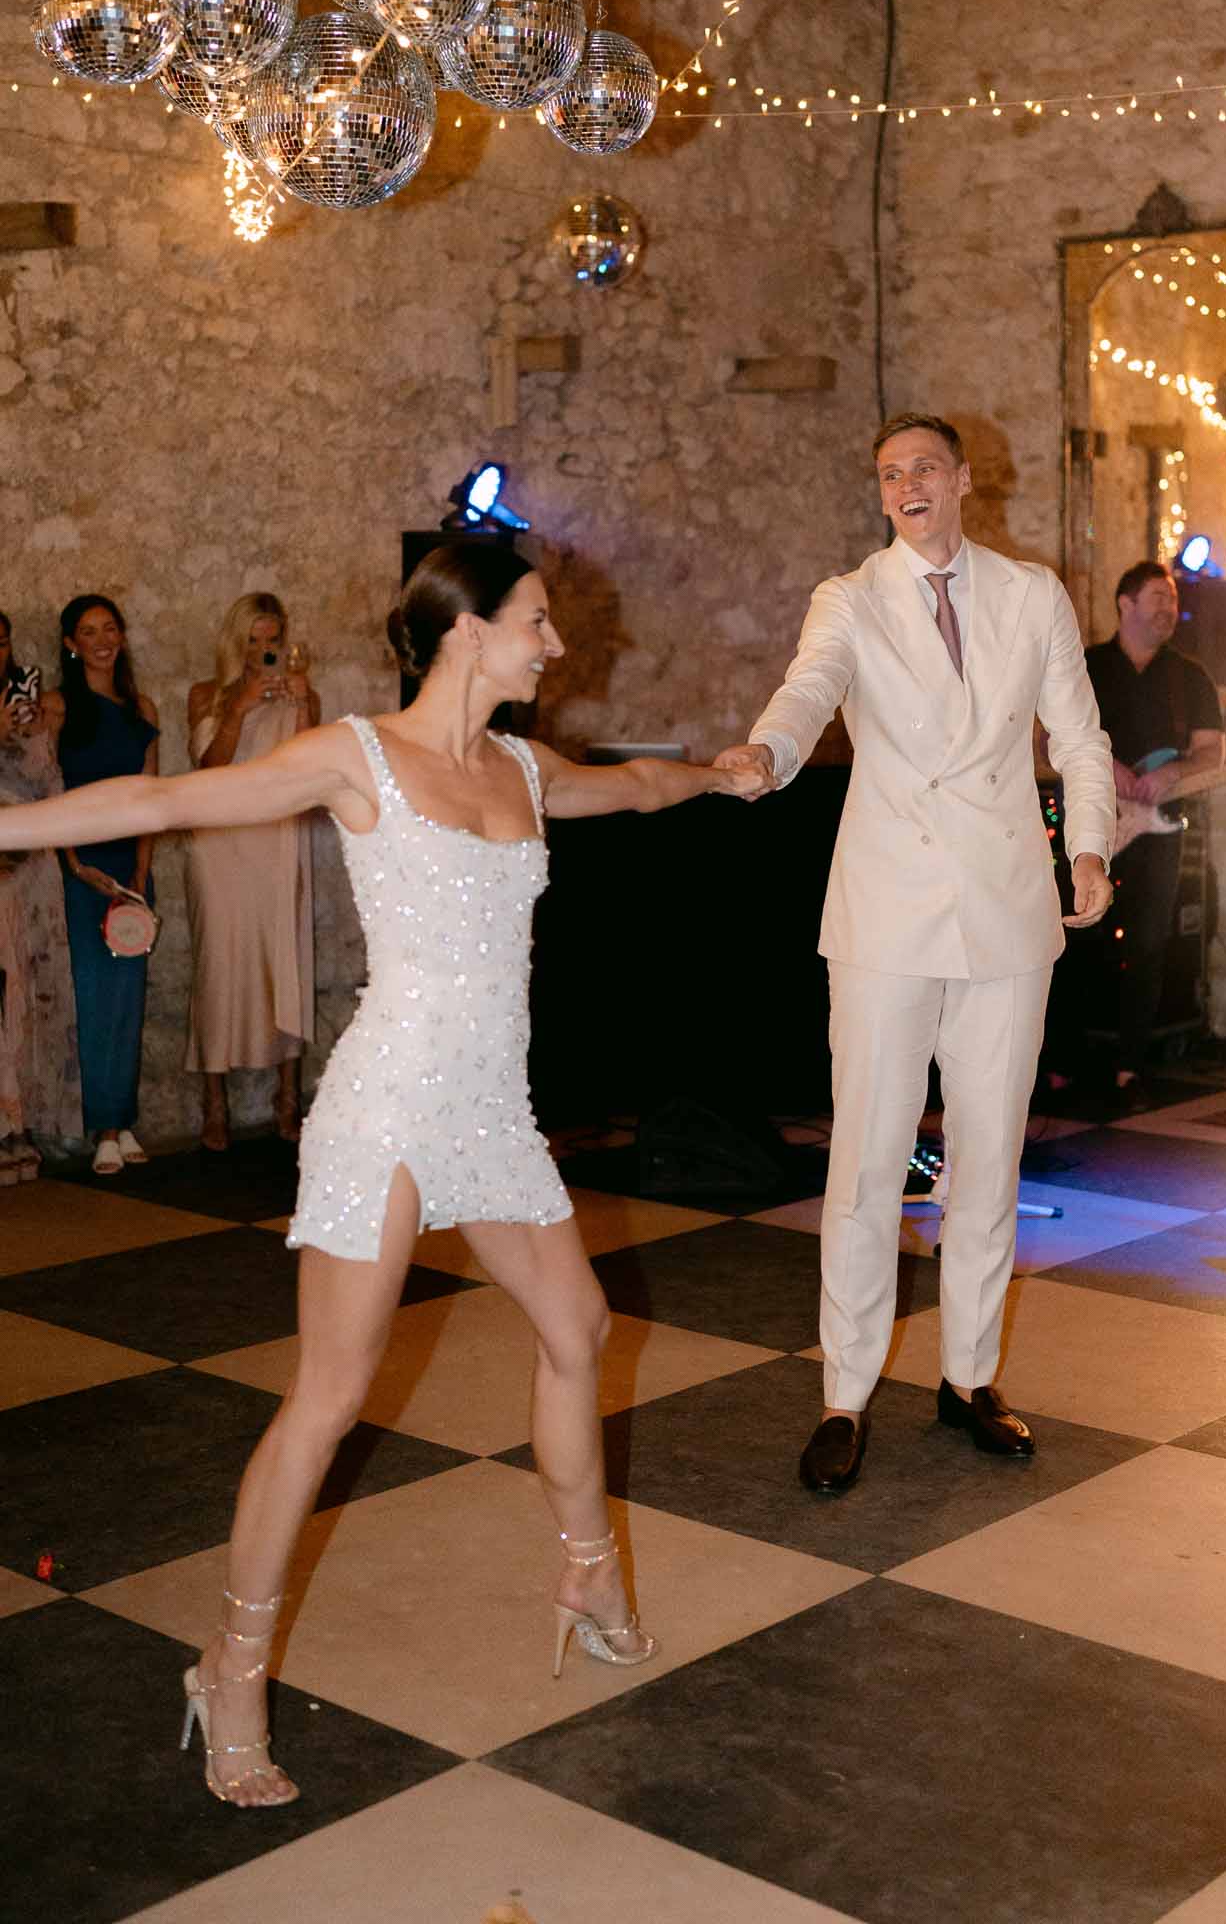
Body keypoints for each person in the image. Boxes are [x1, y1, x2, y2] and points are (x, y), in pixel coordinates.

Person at [0, 538, 767, 1807]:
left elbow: (632, 793)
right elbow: (165, 802)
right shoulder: (356, 756)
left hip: (492, 1108)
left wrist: (721, 774)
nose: (554, 645)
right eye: (536, 622)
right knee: (331, 1395)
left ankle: (586, 1573)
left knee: (580, 1325)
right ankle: (229, 1669)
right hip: (390, 1104)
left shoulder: (523, 766)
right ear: (468, 630)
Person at [715, 413, 1114, 1492]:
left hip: (1005, 909)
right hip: (887, 915)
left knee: (988, 1155)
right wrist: (771, 748)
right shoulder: (849, 598)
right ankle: (844, 1394)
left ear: (964, 479)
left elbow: (1078, 733)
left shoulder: (1031, 593)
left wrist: (1087, 847)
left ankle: (969, 1376)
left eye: (923, 468)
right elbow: (812, 684)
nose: (906, 486)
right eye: (889, 474)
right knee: (867, 1157)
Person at [1083, 560, 1225, 1103]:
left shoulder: (1189, 676)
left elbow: (1213, 751)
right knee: (1077, 935)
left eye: (1172, 600)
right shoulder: (1087, 666)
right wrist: (1106, 766)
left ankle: (1130, 1064)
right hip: (1094, 822)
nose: (1169, 609)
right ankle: (1066, 1059)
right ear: (1125, 603)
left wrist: (1173, 772)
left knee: (1150, 941)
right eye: (1157, 598)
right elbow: (1049, 738)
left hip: (1162, 827)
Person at [185, 593, 320, 1149]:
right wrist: (239, 707)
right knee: (218, 965)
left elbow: (314, 765)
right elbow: (207, 768)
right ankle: (213, 1103)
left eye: (273, 640)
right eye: (254, 641)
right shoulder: (205, 695)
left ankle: (287, 1096)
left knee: (282, 959)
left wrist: (304, 703)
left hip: (277, 839)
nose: (265, 652)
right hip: (219, 846)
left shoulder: (299, 692)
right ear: (236, 642)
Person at [46, 596, 160, 1176]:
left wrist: (139, 876)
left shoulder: (141, 706)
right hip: (81, 871)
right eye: (88, 631)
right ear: (70, 641)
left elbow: (150, 801)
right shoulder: (58, 707)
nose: (101, 639)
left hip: (130, 871)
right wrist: (74, 864)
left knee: (128, 1001)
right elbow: (50, 788)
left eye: (109, 628)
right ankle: (103, 1129)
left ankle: (123, 1119)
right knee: (93, 1002)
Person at [0, 636, 81, 1179]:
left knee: (33, 991)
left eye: (2, 640)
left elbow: (53, 787)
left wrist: (39, 732)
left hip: (35, 863)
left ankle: (28, 1121)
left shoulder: (35, 704)